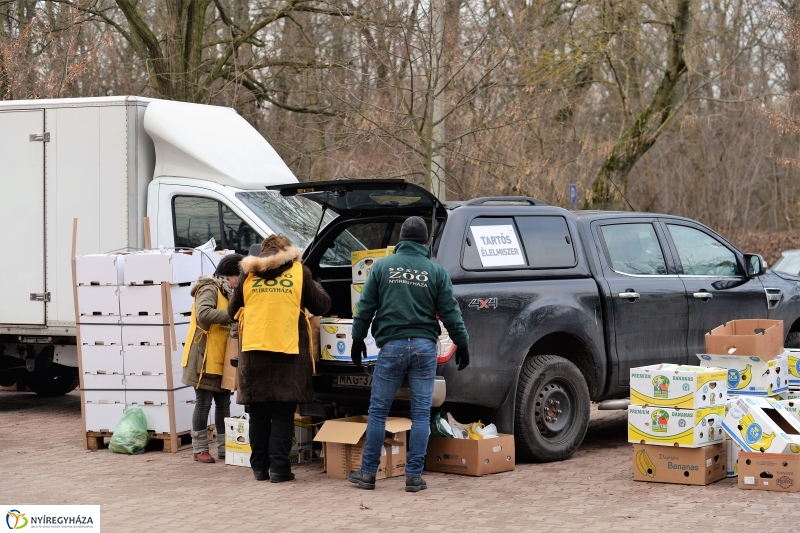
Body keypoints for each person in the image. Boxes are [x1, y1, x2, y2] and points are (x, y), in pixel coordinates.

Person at [347, 216, 470, 492]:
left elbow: (365, 307)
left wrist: (357, 340)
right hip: (425, 348)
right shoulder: (435, 271)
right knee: (421, 414)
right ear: (426, 242)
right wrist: (463, 343)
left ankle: (367, 474)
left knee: (378, 412)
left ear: (400, 240)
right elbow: (450, 311)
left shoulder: (381, 267)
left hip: (392, 347)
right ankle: (413, 477)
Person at [228, 234, 330, 482]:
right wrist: (317, 286)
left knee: (259, 413)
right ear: (288, 251)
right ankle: (280, 470)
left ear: (262, 252)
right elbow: (322, 306)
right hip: (289, 352)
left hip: (254, 352)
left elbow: (232, 312)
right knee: (283, 413)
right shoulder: (299, 271)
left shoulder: (247, 273)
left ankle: (259, 469)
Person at [181, 253, 244, 463]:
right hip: (204, 356)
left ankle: (226, 447)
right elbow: (204, 315)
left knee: (224, 404)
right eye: (239, 277)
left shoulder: (228, 292)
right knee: (204, 403)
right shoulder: (209, 287)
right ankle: (199, 449)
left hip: (222, 357)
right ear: (230, 274)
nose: (240, 282)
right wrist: (233, 313)